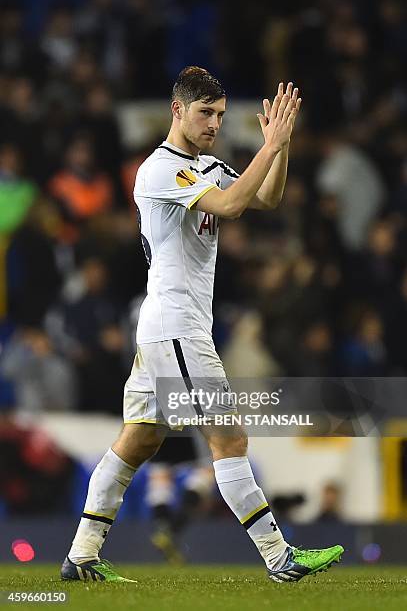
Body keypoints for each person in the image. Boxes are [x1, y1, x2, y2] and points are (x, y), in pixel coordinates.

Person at [61, 66, 344, 584]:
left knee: (138, 441)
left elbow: (266, 198)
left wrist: (277, 148)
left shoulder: (208, 165)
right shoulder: (160, 169)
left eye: (219, 114)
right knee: (229, 440)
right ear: (177, 110)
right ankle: (280, 558)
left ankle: (80, 555)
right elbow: (233, 204)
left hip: (166, 328)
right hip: (177, 327)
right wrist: (271, 146)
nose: (214, 123)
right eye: (204, 113)